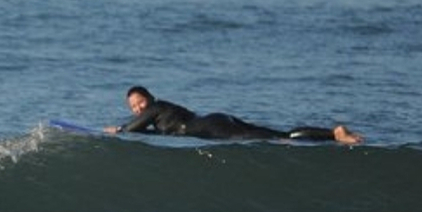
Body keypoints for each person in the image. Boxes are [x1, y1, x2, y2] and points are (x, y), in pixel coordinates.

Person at [104, 85, 362, 144]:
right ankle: (333, 134)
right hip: (215, 120)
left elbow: (134, 128)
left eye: (140, 102)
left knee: (275, 139)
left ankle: (334, 134)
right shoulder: (161, 111)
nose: (138, 109)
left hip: (210, 127)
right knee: (278, 135)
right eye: (133, 107)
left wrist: (117, 130)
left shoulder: (155, 108)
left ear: (150, 98)